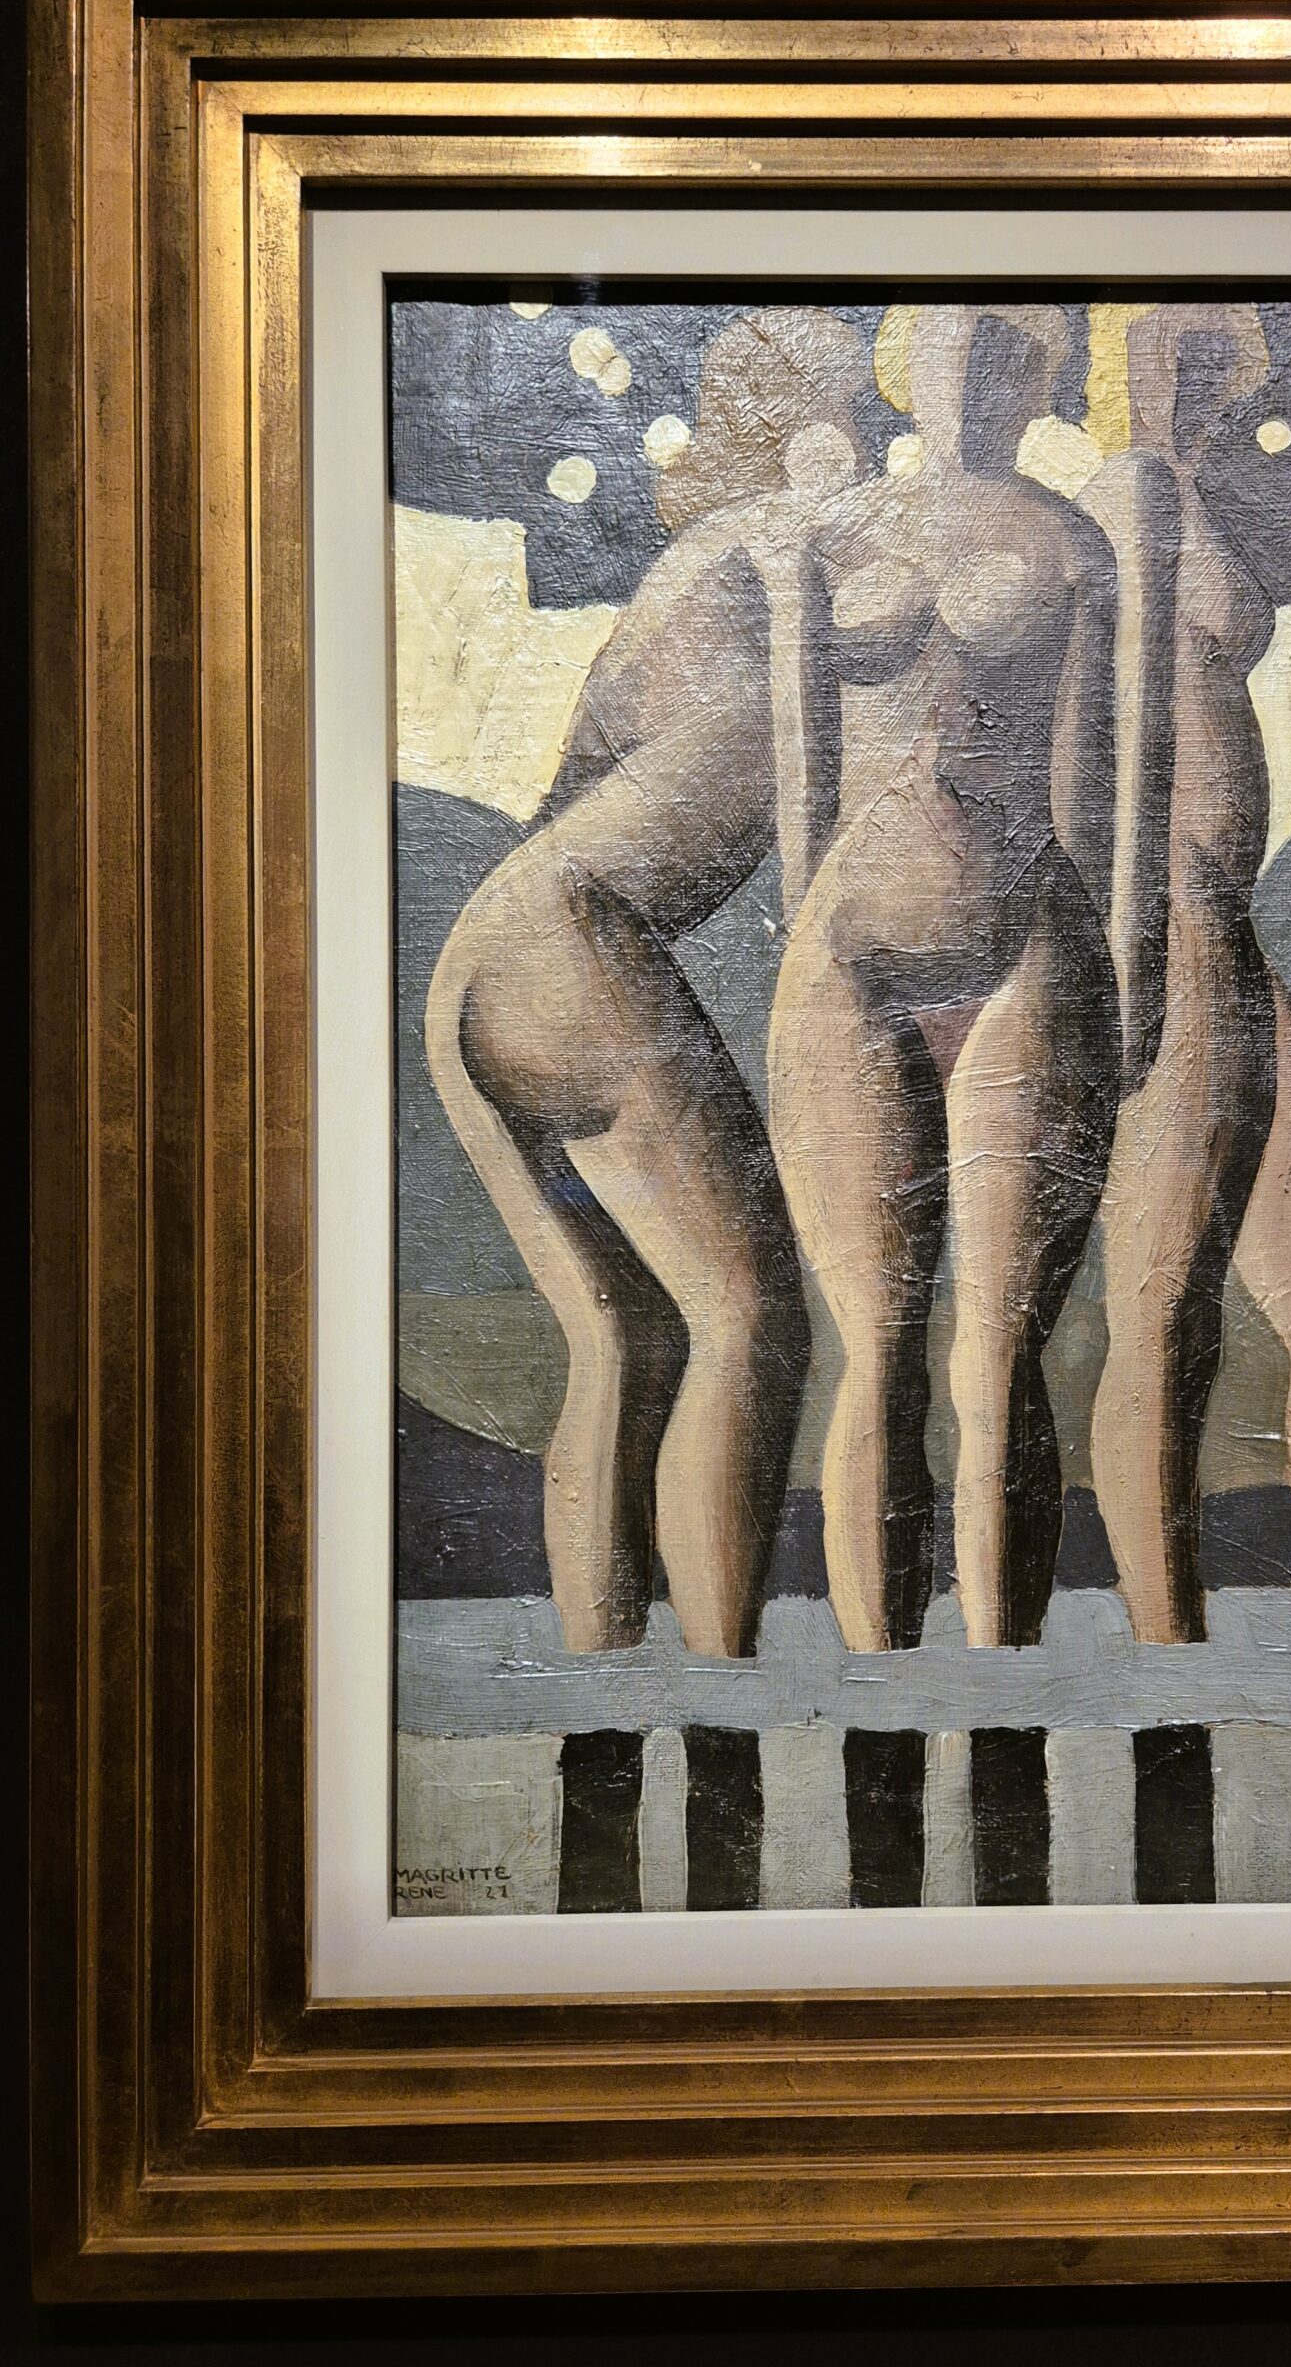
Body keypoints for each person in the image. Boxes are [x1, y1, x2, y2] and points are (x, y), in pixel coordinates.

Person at [424, 308, 870, 1658]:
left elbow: (580, 791)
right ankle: (722, 1686)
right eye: (854, 410)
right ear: (802, 434)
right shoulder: (781, 548)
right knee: (752, 1318)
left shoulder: (694, 566)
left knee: (625, 1339)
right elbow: (812, 824)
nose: (872, 441)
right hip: (571, 941)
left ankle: (602, 1692)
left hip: (489, 958)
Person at [766, 304, 1143, 1652]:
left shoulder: (1072, 542)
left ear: (1040, 373)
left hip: (1026, 941)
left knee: (996, 1352)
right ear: (901, 363)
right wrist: (802, 951)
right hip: (848, 955)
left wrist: (1125, 971)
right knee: (877, 1352)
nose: (973, 357)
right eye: (947, 334)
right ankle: (878, 1695)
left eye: (1005, 338)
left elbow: (1098, 789)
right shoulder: (828, 539)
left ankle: (1002, 1694)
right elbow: (804, 780)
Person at [1080, 303, 1291, 1643]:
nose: (1197, 367)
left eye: (1210, 347)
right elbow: (1108, 731)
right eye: (1165, 343)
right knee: (1168, 1311)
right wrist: (1128, 952)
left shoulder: (1181, 492)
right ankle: (1168, 1654)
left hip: (1223, 923)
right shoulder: (1122, 494)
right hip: (1161, 917)